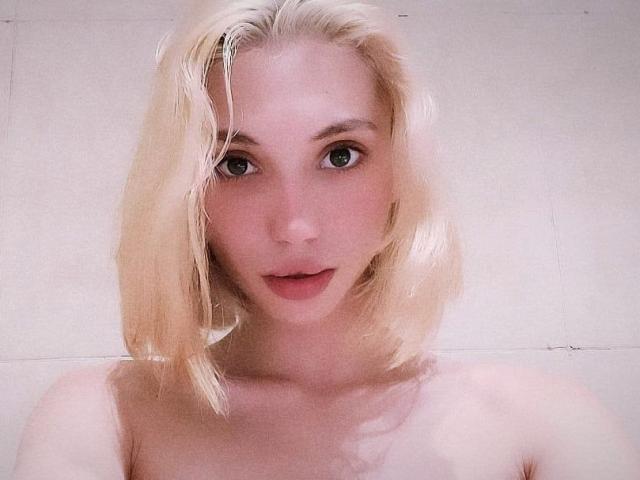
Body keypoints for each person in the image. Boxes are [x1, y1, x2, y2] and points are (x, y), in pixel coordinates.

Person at [12, 0, 640, 478]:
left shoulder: (541, 428)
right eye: (236, 164)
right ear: (187, 194)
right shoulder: (106, 419)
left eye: (340, 155)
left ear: (400, 166)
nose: (295, 226)